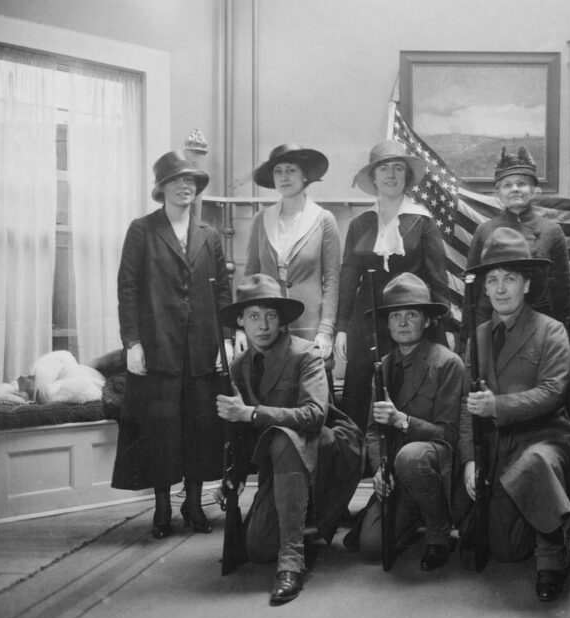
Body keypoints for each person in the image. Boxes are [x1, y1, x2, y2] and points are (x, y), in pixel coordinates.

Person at [215, 274, 363, 605]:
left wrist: (251, 414)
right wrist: (233, 476)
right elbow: (237, 434)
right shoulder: (238, 366)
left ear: (282, 319)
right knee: (258, 549)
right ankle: (311, 518)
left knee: (283, 437)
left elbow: (313, 415)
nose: (263, 325)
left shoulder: (306, 353)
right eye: (254, 316)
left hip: (327, 447)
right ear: (240, 320)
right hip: (279, 462)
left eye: (270, 315)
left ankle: (292, 563)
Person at [112, 150, 231, 539]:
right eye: (177, 181)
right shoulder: (142, 230)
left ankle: (193, 504)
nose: (186, 187)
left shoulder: (209, 236)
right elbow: (127, 290)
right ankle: (162, 508)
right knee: (161, 431)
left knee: (200, 429)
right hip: (158, 348)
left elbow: (223, 295)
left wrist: (226, 340)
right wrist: (132, 342)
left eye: (192, 182)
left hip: (202, 350)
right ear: (161, 188)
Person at [459, 227, 570, 603]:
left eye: (509, 279)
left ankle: (552, 558)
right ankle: (544, 521)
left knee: (535, 463)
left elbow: (551, 392)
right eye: (492, 280)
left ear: (526, 285)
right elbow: (467, 408)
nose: (499, 289)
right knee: (506, 552)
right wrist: (469, 460)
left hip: (546, 440)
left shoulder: (551, 331)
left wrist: (497, 405)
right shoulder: (477, 335)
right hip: (497, 449)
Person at [349, 274, 466, 569]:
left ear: (427, 321)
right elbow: (373, 431)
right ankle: (411, 511)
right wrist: (379, 470)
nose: (402, 322)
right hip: (396, 471)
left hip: (433, 463)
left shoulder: (447, 363)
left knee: (411, 456)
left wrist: (403, 421)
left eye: (411, 314)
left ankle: (439, 533)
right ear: (387, 323)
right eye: (395, 316)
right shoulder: (384, 367)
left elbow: (448, 435)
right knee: (372, 547)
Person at [335, 140, 452, 428]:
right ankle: (358, 463)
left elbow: (438, 280)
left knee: (406, 391)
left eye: (398, 168)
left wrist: (443, 327)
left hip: (408, 319)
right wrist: (340, 329)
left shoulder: (423, 222)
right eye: (384, 168)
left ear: (407, 177)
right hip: (366, 322)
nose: (391, 174)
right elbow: (349, 279)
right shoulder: (360, 224)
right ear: (373, 177)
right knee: (360, 393)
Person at [242, 143, 340, 375]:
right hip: (269, 328)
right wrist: (247, 325)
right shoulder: (261, 219)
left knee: (312, 398)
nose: (284, 177)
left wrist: (325, 328)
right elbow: (250, 277)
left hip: (309, 327)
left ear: (304, 175)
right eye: (278, 171)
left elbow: (333, 280)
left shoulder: (323, 219)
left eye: (291, 170)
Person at [462, 147, 570, 343]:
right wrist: (469, 339)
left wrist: (562, 336)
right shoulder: (484, 231)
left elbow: (561, 292)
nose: (514, 189)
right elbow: (473, 290)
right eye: (507, 185)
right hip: (491, 324)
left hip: (538, 325)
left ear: (534, 190)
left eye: (521, 184)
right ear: (498, 193)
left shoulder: (551, 231)